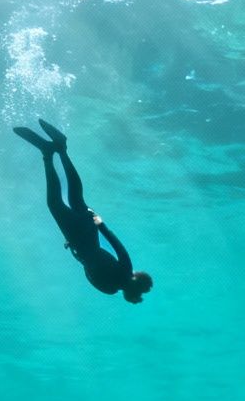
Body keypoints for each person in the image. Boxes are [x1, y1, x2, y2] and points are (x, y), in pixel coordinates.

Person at [13, 119, 153, 303]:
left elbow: (111, 239)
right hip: (80, 242)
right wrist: (77, 244)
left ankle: (59, 150)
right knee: (56, 203)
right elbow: (90, 265)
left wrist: (96, 220)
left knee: (74, 199)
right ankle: (49, 153)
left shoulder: (124, 271)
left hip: (87, 236)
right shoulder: (110, 288)